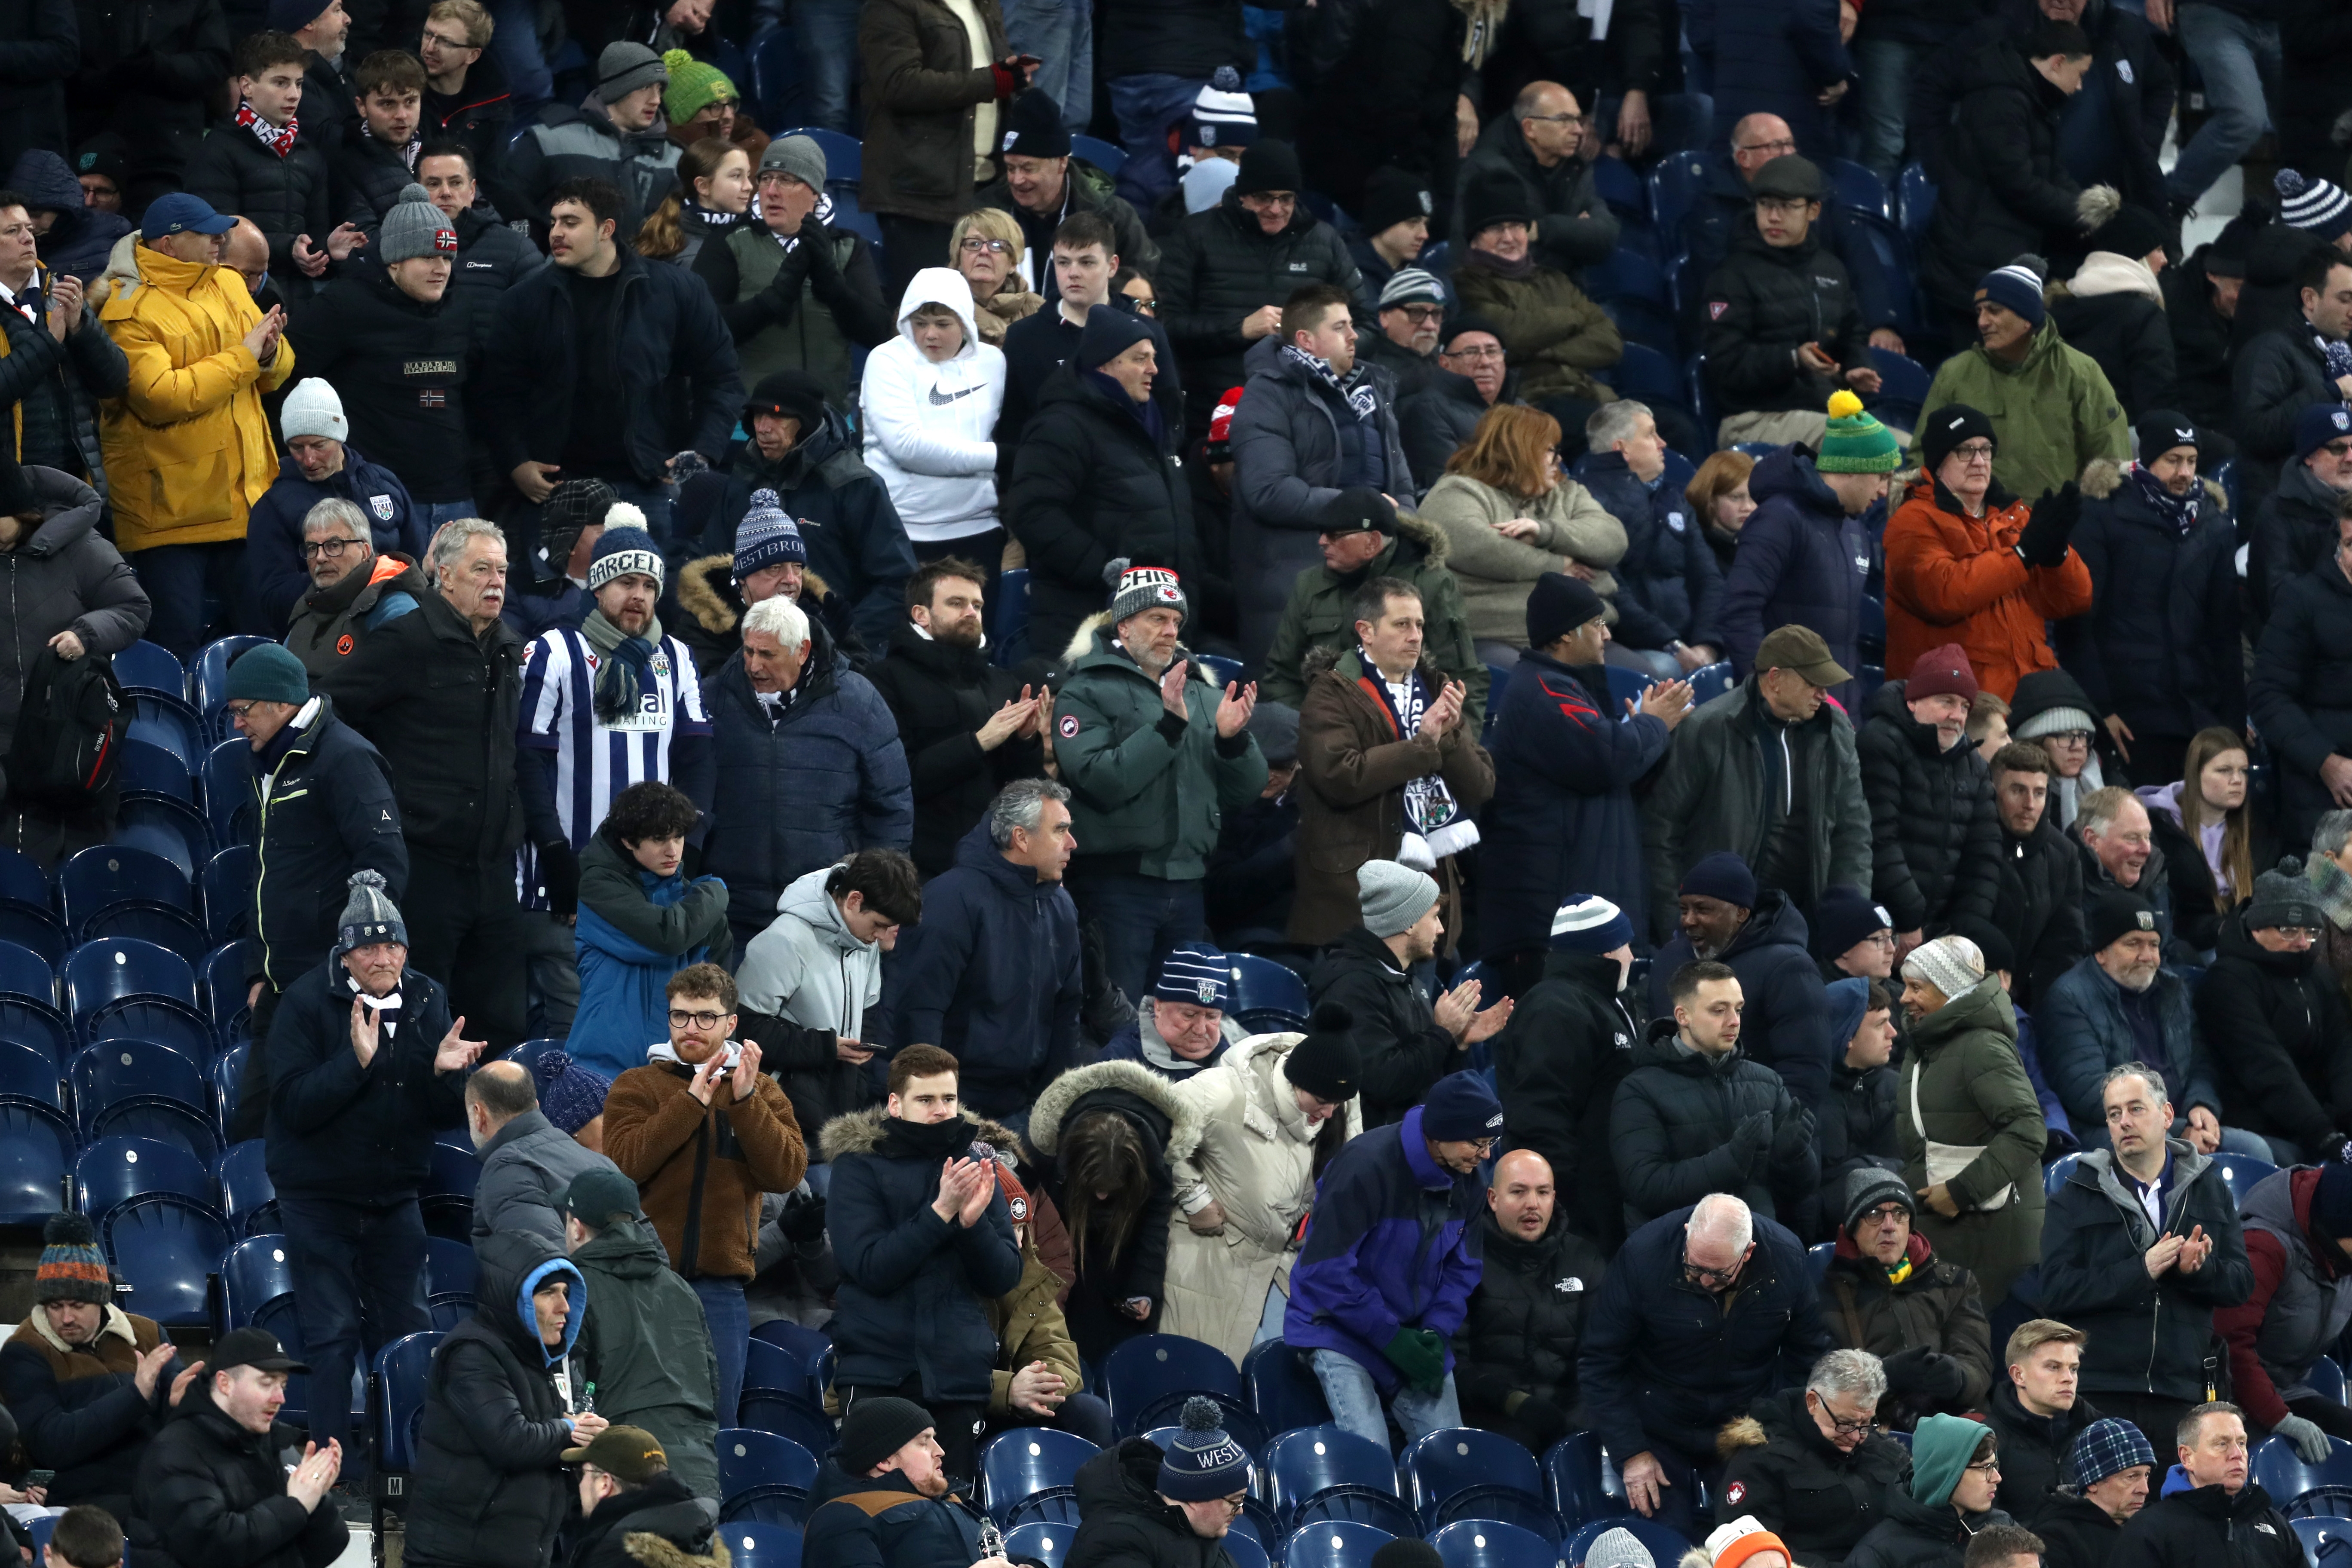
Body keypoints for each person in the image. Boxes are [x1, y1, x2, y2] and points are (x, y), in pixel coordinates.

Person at [265, 870, 482, 1472]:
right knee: (332, 1337)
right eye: (368, 946)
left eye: (393, 946)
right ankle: (330, 1467)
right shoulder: (305, 1002)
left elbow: (441, 1116)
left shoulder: (428, 1000)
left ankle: (413, 1466)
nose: (382, 957)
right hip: (319, 1196)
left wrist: (445, 1077)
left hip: (395, 1194)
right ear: (345, 954)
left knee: (409, 1330)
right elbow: (293, 1105)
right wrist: (354, 1063)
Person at [321, 518, 530, 1048]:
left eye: (502, 570)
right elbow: (333, 708)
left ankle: (497, 1128)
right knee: (423, 1019)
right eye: (481, 569)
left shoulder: (507, 648)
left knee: (502, 1024)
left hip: (494, 870)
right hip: (427, 866)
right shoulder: (406, 640)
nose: (496, 582)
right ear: (444, 575)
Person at [515, 527, 715, 1024]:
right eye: (626, 583)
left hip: (650, 889)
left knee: (647, 1033)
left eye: (649, 586)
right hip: (566, 886)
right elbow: (526, 763)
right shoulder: (553, 653)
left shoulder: (676, 657)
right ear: (598, 587)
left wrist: (691, 843)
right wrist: (556, 854)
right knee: (579, 1034)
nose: (639, 596)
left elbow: (697, 760)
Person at [603, 963, 807, 1427]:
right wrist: (690, 1103)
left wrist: (746, 1102)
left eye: (705, 1017)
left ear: (731, 1023)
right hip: (644, 1281)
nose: (690, 1028)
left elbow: (786, 1173)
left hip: (721, 1288)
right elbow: (624, 1167)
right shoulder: (638, 1085)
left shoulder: (761, 1090)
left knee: (718, 1425)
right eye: (681, 1016)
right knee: (636, 1421)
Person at [478, 178, 740, 541]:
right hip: (557, 488)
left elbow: (722, 379)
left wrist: (701, 453)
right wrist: (516, 463)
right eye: (554, 221)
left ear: (606, 229)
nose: (556, 232)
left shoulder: (677, 291)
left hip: (648, 486)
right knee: (558, 597)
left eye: (571, 222)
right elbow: (497, 394)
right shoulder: (524, 301)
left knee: (642, 596)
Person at [1053, 563, 1267, 1002]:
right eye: (1157, 618)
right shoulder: (1084, 690)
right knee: (1118, 1017)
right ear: (1125, 625)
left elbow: (1245, 793)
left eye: (1176, 621)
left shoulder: (1203, 693)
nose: (1171, 631)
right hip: (1117, 887)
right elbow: (1100, 779)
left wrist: (1232, 742)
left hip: (1190, 885)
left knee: (1182, 1020)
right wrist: (1168, 727)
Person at [216, 644, 405, 1139]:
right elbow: (269, 878)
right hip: (283, 986)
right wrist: (260, 971)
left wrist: (350, 969)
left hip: (330, 989)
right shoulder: (273, 761)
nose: (237, 725)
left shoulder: (346, 758)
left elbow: (383, 868)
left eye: (243, 711)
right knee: (256, 1132)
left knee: (317, 1131)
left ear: (280, 703)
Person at [94, 192, 293, 656]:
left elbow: (277, 372)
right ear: (169, 244)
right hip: (171, 515)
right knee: (175, 647)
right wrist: (245, 357)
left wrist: (268, 354)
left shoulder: (226, 284)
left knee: (263, 642)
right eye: (206, 233)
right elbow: (161, 398)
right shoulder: (127, 307)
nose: (219, 240)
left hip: (246, 503)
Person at [820, 1044, 1023, 1485]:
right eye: (926, 1100)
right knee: (875, 1510)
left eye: (948, 1099)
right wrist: (939, 1214)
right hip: (880, 1374)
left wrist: (971, 1227)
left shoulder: (976, 1165)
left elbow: (1004, 1277)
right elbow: (869, 1267)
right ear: (895, 1104)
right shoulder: (858, 1168)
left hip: (956, 1378)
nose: (940, 1110)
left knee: (950, 1519)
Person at [1578, 1194, 1834, 1538]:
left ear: (1748, 1253)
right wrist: (1631, 1452)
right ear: (1687, 1234)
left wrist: (1780, 1430)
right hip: (1657, 1422)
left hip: (1744, 1424)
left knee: (1754, 1539)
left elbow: (1808, 1359)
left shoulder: (1786, 1259)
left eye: (1717, 1274)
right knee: (1666, 1543)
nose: (1703, 1281)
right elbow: (1600, 1362)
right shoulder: (1643, 1255)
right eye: (1693, 1267)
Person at [2040, 1065, 2256, 1454]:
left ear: (2168, 1116)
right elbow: (2055, 1290)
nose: (2124, 1122)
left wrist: (2199, 1271)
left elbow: (2241, 1283)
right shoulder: (2075, 1193)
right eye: (2114, 1114)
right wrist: (2141, 1271)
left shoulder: (2210, 1190)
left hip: (2182, 1390)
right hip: (2101, 1390)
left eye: (2136, 1109)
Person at [1479, 576, 1688, 968]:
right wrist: (1654, 724)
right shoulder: (1544, 692)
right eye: (1597, 624)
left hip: (1573, 908)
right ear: (1563, 636)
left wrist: (1644, 728)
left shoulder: (1567, 686)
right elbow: (1608, 757)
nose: (1607, 635)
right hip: (1549, 919)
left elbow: (1617, 767)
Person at [1285, 1070, 1499, 1451]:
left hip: (1412, 1329)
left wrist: (1436, 1330)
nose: (1486, 1155)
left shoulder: (1470, 1179)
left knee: (1452, 1455)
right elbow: (1325, 1271)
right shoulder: (1365, 1165)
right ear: (1441, 1132)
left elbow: (1463, 1268)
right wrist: (1389, 1337)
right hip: (1336, 1326)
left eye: (1491, 1143)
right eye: (1478, 1143)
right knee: (1371, 1455)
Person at [700, 591, 913, 955]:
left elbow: (892, 805)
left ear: (802, 651)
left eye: (768, 655)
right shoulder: (712, 699)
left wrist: (877, 891)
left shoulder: (858, 701)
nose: (754, 666)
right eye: (749, 651)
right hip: (731, 912)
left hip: (825, 914)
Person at [1288, 573, 1493, 946]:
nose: (1415, 636)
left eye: (1419, 625)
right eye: (1401, 625)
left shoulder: (1434, 687)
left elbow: (1481, 785)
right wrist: (1422, 745)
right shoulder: (1331, 693)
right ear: (1365, 631)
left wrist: (1446, 738)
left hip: (1428, 901)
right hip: (1355, 900)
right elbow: (1340, 777)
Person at [1642, 626, 1872, 945]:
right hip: (1724, 927)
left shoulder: (1837, 731)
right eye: (1813, 684)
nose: (1824, 695)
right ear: (1775, 679)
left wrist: (1850, 918)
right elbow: (1662, 832)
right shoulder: (1708, 729)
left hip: (1807, 925)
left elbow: (1853, 831)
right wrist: (1680, 924)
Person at [1156, 1005, 1359, 1359]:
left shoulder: (1341, 1105)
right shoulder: (1224, 1094)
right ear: (1297, 1081)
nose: (1328, 1114)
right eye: (1322, 1102)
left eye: (1337, 1105)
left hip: (1283, 1273)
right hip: (1210, 1264)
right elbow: (1154, 1128)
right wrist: (1193, 1196)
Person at [1004, 303, 1204, 658]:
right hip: (1085, 622)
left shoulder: (1156, 426)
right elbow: (1032, 512)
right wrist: (1107, 571)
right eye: (1141, 358)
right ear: (1106, 364)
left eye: (1154, 357)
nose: (1154, 369)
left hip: (1155, 623)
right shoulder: (1062, 425)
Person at [1225, 279, 1412, 658]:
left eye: (1352, 325)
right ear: (1306, 340)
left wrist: (1396, 520)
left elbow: (1403, 486)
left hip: (1376, 576)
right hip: (1293, 583)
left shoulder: (1371, 393)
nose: (1354, 336)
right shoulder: (1267, 395)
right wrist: (1361, 511)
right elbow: (1270, 491)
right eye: (1340, 327)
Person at [675, 372, 916, 658]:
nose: (763, 428)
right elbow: (714, 566)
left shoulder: (854, 485)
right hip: (748, 650)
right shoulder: (742, 480)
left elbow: (896, 581)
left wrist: (839, 638)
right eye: (757, 415)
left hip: (837, 656)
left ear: (806, 422)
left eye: (777, 416)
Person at [281, 185, 478, 534]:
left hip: (455, 495)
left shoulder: (461, 307)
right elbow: (282, 378)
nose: (441, 269)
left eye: (447, 258)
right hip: (373, 498)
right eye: (428, 257)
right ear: (395, 261)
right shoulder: (344, 306)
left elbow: (477, 396)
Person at [885, 781, 1084, 1122]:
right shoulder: (951, 899)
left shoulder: (1061, 906)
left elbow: (1067, 1011)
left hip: (1029, 1107)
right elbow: (920, 1011)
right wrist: (937, 1108)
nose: (1072, 844)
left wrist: (1056, 1108)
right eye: (1060, 831)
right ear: (1021, 838)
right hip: (958, 1107)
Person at [404, 1232, 604, 1568]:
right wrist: (571, 1429)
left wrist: (591, 1446)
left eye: (567, 1294)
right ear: (515, 1298)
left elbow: (549, 1449)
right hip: (456, 1558)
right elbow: (510, 1440)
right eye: (549, 1293)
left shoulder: (546, 1361)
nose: (565, 1308)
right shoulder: (472, 1352)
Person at [2064, 414, 2242, 779]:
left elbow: (2225, 635)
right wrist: (2101, 709)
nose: (2184, 472)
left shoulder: (2214, 525)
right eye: (2173, 460)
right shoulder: (2101, 515)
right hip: (2130, 715)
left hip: (2195, 713)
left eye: (2191, 461)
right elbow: (2078, 623)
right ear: (2147, 460)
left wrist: (2233, 725)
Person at [1156, 140, 1364, 443]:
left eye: (1286, 199)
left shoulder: (1324, 242)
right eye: (1264, 198)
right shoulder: (1196, 235)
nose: (1276, 209)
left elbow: (1366, 322)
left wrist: (1325, 347)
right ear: (1243, 195)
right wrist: (1240, 328)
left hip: (1304, 415)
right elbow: (1166, 326)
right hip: (1211, 414)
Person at [1885, 407, 2092, 702]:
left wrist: (2057, 554)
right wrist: (2024, 553)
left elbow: (2074, 600)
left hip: (2029, 700)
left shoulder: (2015, 517)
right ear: (1937, 462)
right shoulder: (1913, 520)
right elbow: (1945, 594)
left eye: (1986, 450)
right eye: (1965, 451)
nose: (1979, 462)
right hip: (1960, 704)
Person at [0, 456, 148, 866]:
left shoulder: (78, 544)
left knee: (67, 873)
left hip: (70, 739)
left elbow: (132, 606)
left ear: (20, 511)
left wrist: (85, 635)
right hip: (4, 743)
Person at [1915, 20, 2109, 328]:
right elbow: (2018, 184)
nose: (2081, 86)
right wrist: (2077, 214)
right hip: (1971, 266)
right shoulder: (2002, 100)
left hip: (1997, 255)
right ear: (2058, 63)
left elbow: (2053, 171)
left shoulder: (2031, 97)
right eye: (2081, 75)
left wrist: (2086, 209)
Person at [0, 1214, 197, 1515]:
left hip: (160, 1482)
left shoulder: (147, 1334)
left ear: (102, 1300)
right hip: (86, 1497)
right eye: (55, 1306)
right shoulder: (26, 1351)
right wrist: (135, 1396)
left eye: (78, 1306)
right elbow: (52, 1445)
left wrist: (180, 1404)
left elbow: (178, 1408)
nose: (66, 1318)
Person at [1892, 936, 2048, 1309]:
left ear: (1949, 991)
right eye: (1905, 987)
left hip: (1989, 1237)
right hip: (1958, 1233)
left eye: (1917, 988)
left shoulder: (1981, 1047)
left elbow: (2028, 1130)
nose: (1903, 998)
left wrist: (1962, 1191)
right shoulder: (1932, 1041)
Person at [866, 557, 1046, 876]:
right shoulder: (884, 680)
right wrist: (978, 743)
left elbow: (1018, 787)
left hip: (995, 864)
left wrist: (1025, 741)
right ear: (921, 614)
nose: (971, 613)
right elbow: (897, 780)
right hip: (920, 868)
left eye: (977, 605)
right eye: (956, 603)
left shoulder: (1001, 682)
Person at [1415, 405, 1626, 668]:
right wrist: (1561, 566)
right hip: (1492, 638)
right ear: (1519, 451)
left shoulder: (1566, 492)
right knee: (1538, 685)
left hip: (1580, 636)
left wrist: (1544, 533)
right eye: (1551, 450)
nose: (1559, 459)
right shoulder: (1456, 492)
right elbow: (1480, 548)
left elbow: (1612, 539)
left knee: (1654, 675)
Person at [1721, 395, 1899, 706]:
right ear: (1849, 469)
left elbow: (1845, 638)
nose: (1884, 492)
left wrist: (1850, 715)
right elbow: (1739, 612)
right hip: (1781, 715)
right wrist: (1769, 695)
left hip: (1835, 715)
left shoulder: (1855, 528)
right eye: (1881, 477)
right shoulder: (1779, 518)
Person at [732, 848, 917, 1145]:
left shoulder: (865, 942)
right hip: (781, 1119)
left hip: (839, 1120)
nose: (883, 937)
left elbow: (866, 1018)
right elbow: (744, 1028)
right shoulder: (785, 940)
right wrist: (824, 1047)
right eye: (879, 925)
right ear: (855, 900)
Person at [1914, 260, 2132, 512]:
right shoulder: (1954, 374)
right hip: (1973, 530)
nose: (1982, 322)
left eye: (1994, 311)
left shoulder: (2080, 372)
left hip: (2058, 528)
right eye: (1980, 312)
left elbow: (2112, 463)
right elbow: (1923, 457)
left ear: (2027, 318)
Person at [1614, 959, 1817, 1230]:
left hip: (1756, 1247)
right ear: (1682, 1016)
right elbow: (1647, 1187)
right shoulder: (1639, 1090)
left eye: (1739, 1010)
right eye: (1719, 1010)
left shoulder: (1768, 1082)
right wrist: (1730, 1160)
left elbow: (1797, 1193)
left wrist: (1793, 1159)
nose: (1734, 1022)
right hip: (1677, 1252)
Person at [560, 1170, 721, 1502]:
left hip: (623, 1473)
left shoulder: (574, 1289)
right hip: (698, 1473)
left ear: (576, 1227)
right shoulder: (680, 1287)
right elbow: (712, 1384)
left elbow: (570, 1396)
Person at [1312, 859, 1510, 1126]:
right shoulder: (1353, 987)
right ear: (1408, 923)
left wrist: (1455, 1043)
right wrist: (1442, 1033)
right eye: (1434, 916)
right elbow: (1386, 1082)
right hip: (1378, 1150)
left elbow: (1424, 1077)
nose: (1441, 928)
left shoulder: (1404, 977)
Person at [129, 1327, 349, 1568]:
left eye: (283, 1386)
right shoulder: (175, 1452)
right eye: (267, 1384)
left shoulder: (274, 1443)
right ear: (225, 1383)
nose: (280, 1398)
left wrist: (316, 1498)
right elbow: (212, 1550)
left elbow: (324, 1551)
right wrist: (295, 1506)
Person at [1261, 490, 1485, 724]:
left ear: (1373, 541)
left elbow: (1461, 678)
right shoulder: (1310, 585)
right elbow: (1281, 675)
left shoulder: (1431, 584)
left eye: (1335, 535)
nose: (1322, 541)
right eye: (1322, 532)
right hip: (1324, 728)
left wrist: (1455, 745)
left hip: (1408, 734)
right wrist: (1312, 729)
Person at [1702, 155, 1879, 450]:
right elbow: (1725, 362)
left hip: (1822, 411)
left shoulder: (1830, 269)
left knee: (1913, 451)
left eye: (1786, 206)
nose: (1773, 217)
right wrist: (1792, 359)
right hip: (1753, 419)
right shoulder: (1732, 276)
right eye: (1765, 205)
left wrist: (1856, 367)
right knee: (1867, 444)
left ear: (1814, 210)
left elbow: (1853, 334)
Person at [693, 137, 891, 398]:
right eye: (766, 179)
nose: (772, 191)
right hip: (749, 419)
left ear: (814, 191)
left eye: (786, 180)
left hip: (827, 420)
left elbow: (879, 334)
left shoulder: (848, 246)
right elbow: (700, 333)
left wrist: (834, 288)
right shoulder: (727, 243)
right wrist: (771, 302)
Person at [1643, 854, 1838, 1119]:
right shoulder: (1669, 959)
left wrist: (1768, 1136)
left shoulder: (1788, 967)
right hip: (1682, 1133)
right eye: (1684, 910)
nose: (1688, 920)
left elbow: (1805, 1070)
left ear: (1741, 913)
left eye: (1702, 909)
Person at [857, 0, 1026, 302]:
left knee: (985, 319)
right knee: (927, 317)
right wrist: (992, 81)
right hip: (921, 193)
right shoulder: (893, 5)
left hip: (985, 185)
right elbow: (899, 84)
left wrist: (1014, 78)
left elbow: (993, 75)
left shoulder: (984, 3)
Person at [1024, 1056, 1185, 1363]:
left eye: (1111, 1189)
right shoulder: (1048, 1153)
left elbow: (1154, 1225)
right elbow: (1044, 1238)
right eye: (1094, 1186)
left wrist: (1144, 1289)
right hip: (1068, 1256)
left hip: (1122, 1264)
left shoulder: (1154, 1156)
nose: (1101, 1196)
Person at [2037, 891, 2226, 1153]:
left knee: (2257, 1151)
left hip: (2178, 1123)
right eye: (2133, 943)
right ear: (2101, 952)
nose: (2147, 956)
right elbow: (2086, 1091)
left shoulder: (2173, 991)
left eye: (2154, 945)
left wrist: (2201, 1106)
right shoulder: (2069, 998)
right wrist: (2167, 1126)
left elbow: (2201, 1062)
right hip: (2111, 1134)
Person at [569, 780, 732, 1077]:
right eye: (659, 839)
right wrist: (718, 892)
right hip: (600, 1069)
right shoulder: (598, 888)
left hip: (678, 1070)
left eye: (679, 837)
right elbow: (667, 937)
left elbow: (718, 990)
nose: (673, 851)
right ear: (629, 841)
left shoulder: (695, 903)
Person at [2201, 861, 2352, 1165]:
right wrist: (2326, 1135)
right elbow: (2266, 1067)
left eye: (2310, 932)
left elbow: (2343, 1055)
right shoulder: (2228, 981)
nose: (2301, 942)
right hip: (2259, 1123)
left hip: (2318, 1119)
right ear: (2257, 926)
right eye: (2288, 930)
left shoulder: (2319, 977)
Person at [241, 383, 420, 637]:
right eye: (297, 448)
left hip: (392, 618)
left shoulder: (385, 485)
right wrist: (344, 579)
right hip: (321, 632)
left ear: (340, 435)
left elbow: (417, 564)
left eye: (319, 445)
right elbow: (273, 600)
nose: (309, 459)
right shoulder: (273, 508)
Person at [858, 268, 1006, 573]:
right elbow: (908, 447)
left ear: (966, 323)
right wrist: (1000, 457)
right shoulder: (886, 360)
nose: (930, 334)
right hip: (902, 532)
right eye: (920, 323)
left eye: (943, 324)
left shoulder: (994, 363)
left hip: (980, 530)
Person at [1819, 1170, 1995, 1425]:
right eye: (1875, 1215)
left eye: (1900, 1214)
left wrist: (1959, 1379)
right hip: (1873, 1435)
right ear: (1853, 1227)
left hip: (1952, 1427)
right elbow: (1823, 1387)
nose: (1890, 1226)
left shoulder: (1955, 1283)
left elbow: (1977, 1361)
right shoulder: (1827, 1295)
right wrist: (1885, 1374)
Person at [1857, 646, 2004, 949]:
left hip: (1939, 933)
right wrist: (1910, 921)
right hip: (1880, 923)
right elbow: (1878, 838)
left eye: (1965, 706)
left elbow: (1984, 859)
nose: (1957, 716)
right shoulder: (1881, 741)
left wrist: (1961, 936)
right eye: (1946, 702)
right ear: (1913, 701)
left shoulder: (1974, 766)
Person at [1716, 1349, 1913, 1568]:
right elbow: (1757, 1553)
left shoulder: (1882, 1450)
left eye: (1866, 1424)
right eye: (1846, 1423)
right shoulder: (1761, 1458)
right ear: (1813, 1402)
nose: (1857, 1437)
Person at [1577, 401, 1727, 682]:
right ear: (1622, 449)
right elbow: (1615, 591)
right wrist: (1673, 646)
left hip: (1690, 642)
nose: (1663, 443)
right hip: (1632, 644)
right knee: (1664, 670)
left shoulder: (1675, 500)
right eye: (1651, 434)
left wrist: (1707, 645)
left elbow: (1708, 578)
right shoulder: (1588, 503)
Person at [974, 89, 1158, 309]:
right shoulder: (987, 212)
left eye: (1028, 168)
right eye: (1011, 168)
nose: (1017, 179)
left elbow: (1143, 286)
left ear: (1061, 163)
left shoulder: (1111, 216)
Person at [179, 33, 341, 281]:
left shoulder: (309, 155)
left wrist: (328, 248)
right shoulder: (218, 148)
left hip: (298, 296)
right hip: (238, 292)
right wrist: (289, 248)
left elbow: (314, 233)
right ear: (247, 86)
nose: (294, 95)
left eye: (299, 83)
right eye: (281, 83)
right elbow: (218, 237)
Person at [0, 186, 127, 494]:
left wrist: (82, 328)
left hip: (79, 481)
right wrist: (50, 341)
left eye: (29, 229)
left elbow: (115, 381)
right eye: (12, 231)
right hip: (14, 494)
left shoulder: (59, 294)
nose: (28, 238)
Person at [2251, 508, 2352, 845]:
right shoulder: (2302, 599)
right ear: (2338, 548)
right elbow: (2268, 695)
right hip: (2323, 795)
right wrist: (2326, 762)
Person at [797, 1398, 996, 1568]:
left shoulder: (953, 1503)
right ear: (884, 1460)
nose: (940, 1451)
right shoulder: (842, 1518)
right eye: (924, 1442)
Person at [508, 43, 680, 235]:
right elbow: (511, 209)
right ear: (618, 88)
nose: (656, 99)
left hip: (644, 264)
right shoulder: (550, 141)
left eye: (659, 88)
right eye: (646, 87)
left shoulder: (675, 158)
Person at [2105, 1403, 2301, 1568]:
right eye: (2222, 1444)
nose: (2237, 1453)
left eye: (2241, 1443)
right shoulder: (2149, 1529)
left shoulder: (2276, 1524)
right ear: (2187, 1457)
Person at [2235, 253, 2352, 527]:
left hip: (2339, 510)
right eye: (2345, 300)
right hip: (2288, 513)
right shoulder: (2269, 351)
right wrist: (2332, 392)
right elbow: (2256, 433)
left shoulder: (2344, 353)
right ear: (2310, 299)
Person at [1453, 83, 1620, 275]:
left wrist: (1540, 230)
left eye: (1578, 120)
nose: (1578, 131)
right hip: (1504, 292)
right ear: (1530, 128)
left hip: (1566, 292)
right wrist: (1575, 236)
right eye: (1565, 120)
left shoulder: (1575, 166)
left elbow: (1606, 239)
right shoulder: (1488, 171)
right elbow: (1500, 256)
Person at [1063, 1399, 1251, 1568]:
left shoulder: (1207, 1543)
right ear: (1196, 1497)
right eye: (1235, 1501)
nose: (1240, 1510)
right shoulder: (1116, 1539)